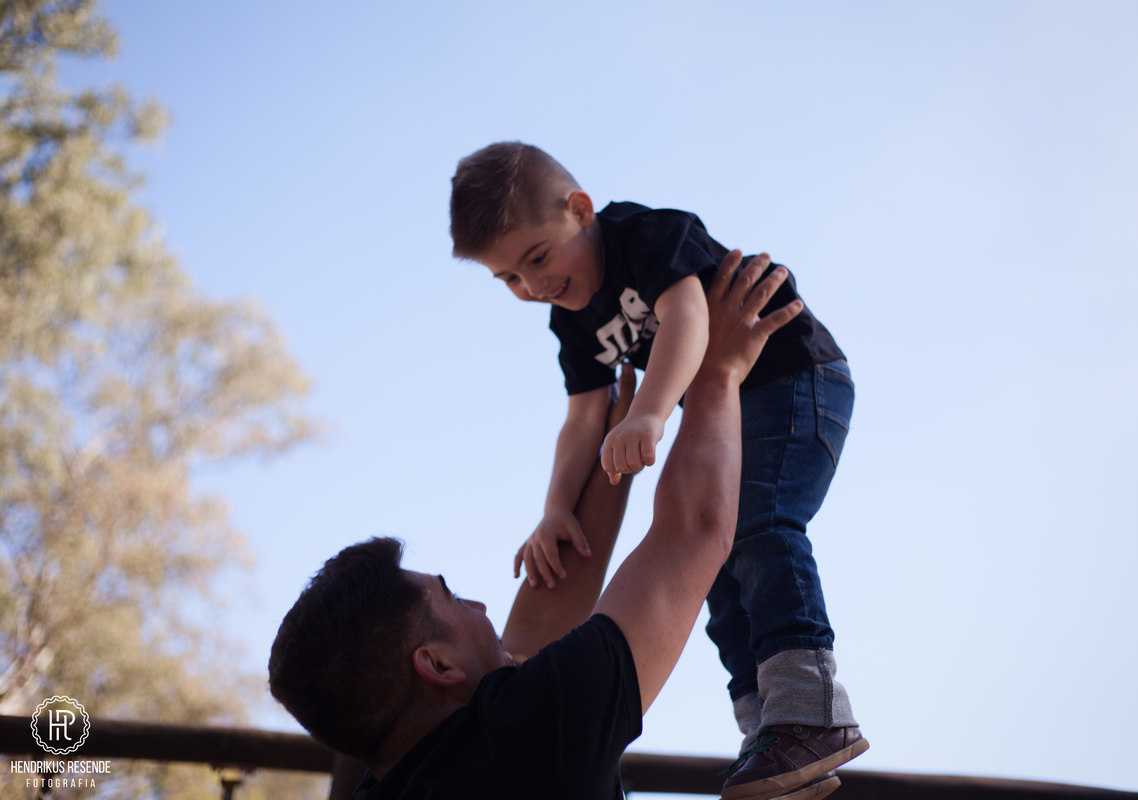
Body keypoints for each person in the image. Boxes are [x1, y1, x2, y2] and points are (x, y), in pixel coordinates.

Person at [269, 253, 814, 800]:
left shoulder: (402, 772)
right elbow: (694, 531)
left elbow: (534, 636)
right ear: (435, 664)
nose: (481, 607)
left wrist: (616, 449)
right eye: (451, 597)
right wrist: (719, 371)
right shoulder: (531, 734)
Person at [449, 142, 866, 800]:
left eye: (536, 258)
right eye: (508, 279)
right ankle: (768, 734)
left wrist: (648, 414)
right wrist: (556, 508)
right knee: (714, 571)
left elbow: (689, 317)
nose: (533, 287)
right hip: (723, 403)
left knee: (756, 524)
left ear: (580, 211)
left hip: (792, 377)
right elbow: (583, 419)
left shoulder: (646, 235)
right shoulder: (571, 318)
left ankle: (811, 712)